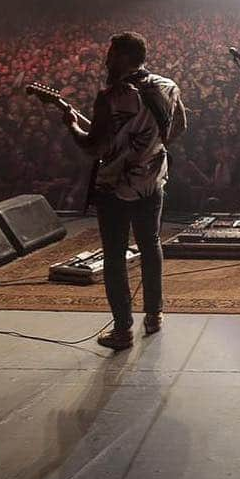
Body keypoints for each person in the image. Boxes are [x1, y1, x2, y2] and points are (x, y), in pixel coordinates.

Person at [47, 32, 187, 351]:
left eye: (111, 53)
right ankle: (154, 314)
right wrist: (150, 151)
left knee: (114, 255)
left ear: (124, 56)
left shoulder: (110, 95)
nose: (106, 59)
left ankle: (123, 330)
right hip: (152, 180)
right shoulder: (167, 86)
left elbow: (92, 146)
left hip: (115, 186)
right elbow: (179, 127)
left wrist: (70, 123)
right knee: (150, 244)